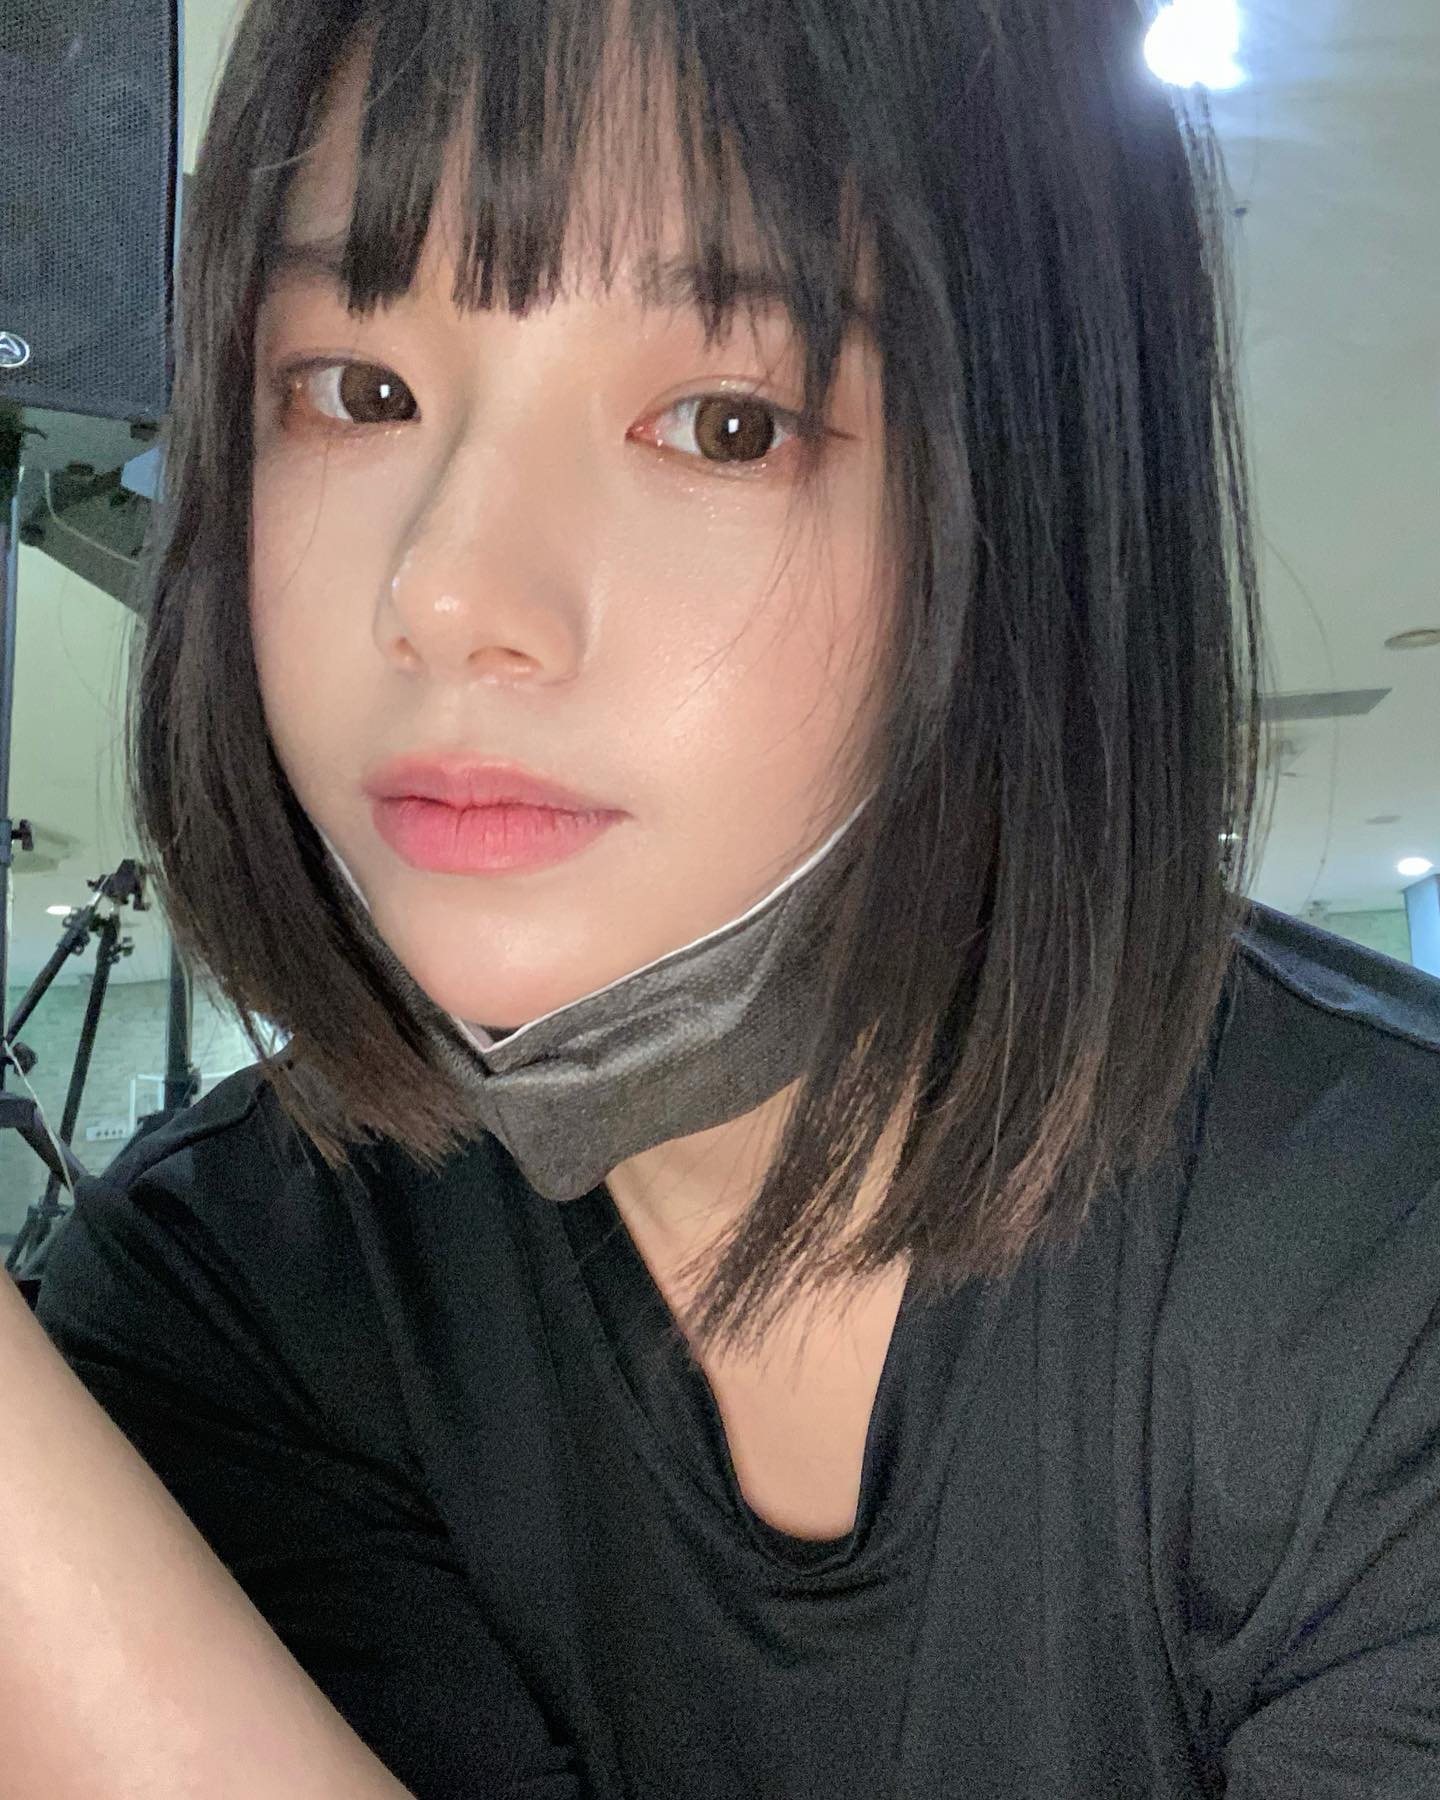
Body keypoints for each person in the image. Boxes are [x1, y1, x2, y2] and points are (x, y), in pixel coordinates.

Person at [29, 0, 1440, 1794]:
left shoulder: (1379, 1286)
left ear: (1039, 503)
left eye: (721, 423)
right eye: (357, 393)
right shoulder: (231, 1301)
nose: (446, 592)